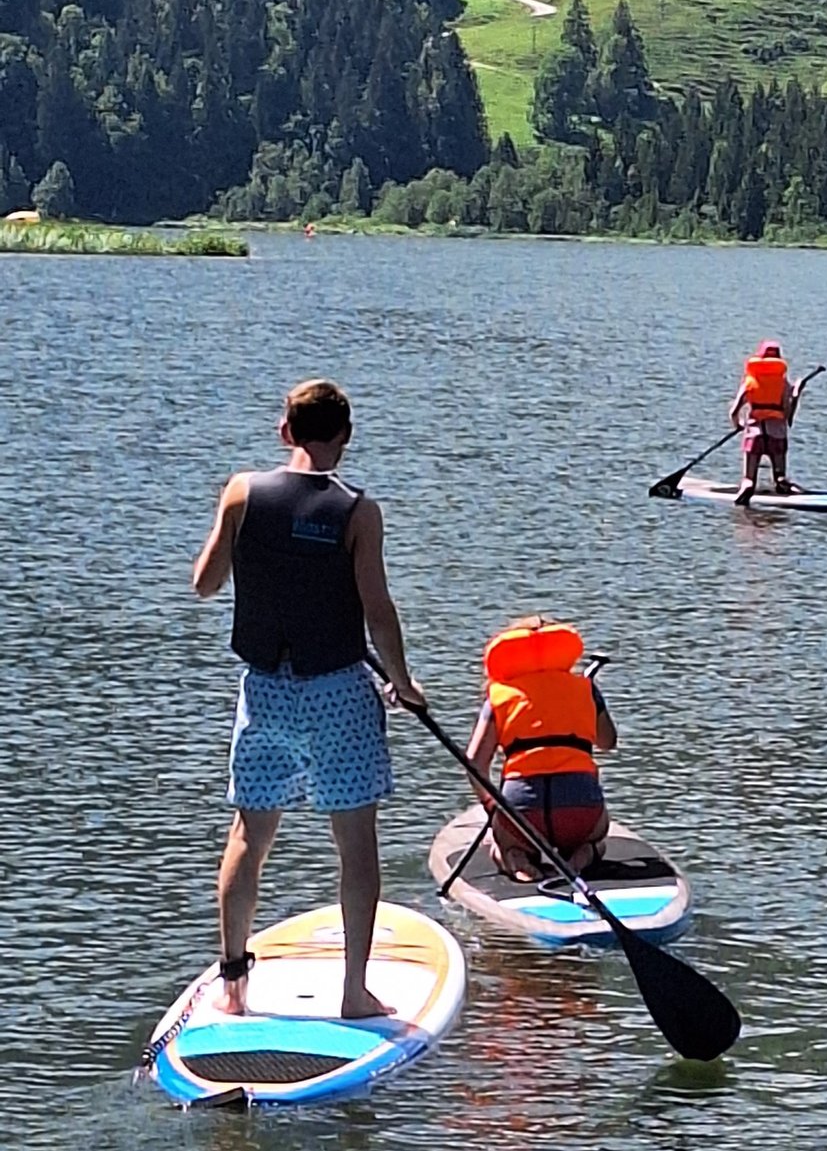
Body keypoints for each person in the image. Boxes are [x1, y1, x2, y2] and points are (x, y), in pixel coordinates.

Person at [190, 379, 425, 1020]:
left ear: (285, 431)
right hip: (339, 695)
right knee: (356, 845)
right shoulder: (359, 511)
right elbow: (377, 610)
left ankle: (235, 987)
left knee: (250, 835)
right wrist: (403, 683)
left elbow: (205, 584)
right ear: (344, 438)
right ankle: (353, 993)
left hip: (265, 691)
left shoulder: (241, 492)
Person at [464, 617, 616, 881]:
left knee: (501, 845)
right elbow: (608, 742)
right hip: (580, 809)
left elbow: (474, 764)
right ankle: (583, 855)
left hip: (522, 810)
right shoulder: (585, 689)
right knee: (599, 839)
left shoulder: (500, 695)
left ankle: (516, 859)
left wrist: (492, 806)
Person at [727, 340, 805, 506]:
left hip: (755, 432)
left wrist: (738, 424)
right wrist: (796, 394)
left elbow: (733, 412)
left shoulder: (750, 382)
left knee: (748, 478)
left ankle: (747, 486)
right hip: (776, 432)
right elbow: (787, 416)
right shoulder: (783, 384)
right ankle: (782, 483)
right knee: (780, 476)